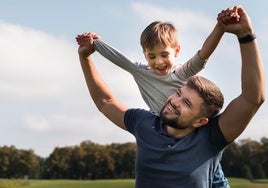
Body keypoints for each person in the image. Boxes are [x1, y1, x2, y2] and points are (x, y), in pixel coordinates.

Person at [77, 5, 265, 188]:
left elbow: (252, 99)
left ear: (201, 121)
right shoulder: (144, 124)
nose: (174, 102)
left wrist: (245, 35)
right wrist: (86, 57)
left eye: (187, 103)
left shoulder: (211, 137)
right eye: (178, 93)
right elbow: (105, 101)